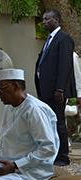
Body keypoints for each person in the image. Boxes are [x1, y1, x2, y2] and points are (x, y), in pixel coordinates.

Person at [34, 9, 76, 166]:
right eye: (43, 19)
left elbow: (65, 66)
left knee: (58, 122)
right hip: (45, 90)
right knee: (48, 123)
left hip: (56, 91)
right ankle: (52, 154)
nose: (44, 22)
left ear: (56, 20)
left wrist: (60, 89)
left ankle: (63, 157)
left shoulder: (64, 39)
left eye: (47, 19)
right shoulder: (49, 39)